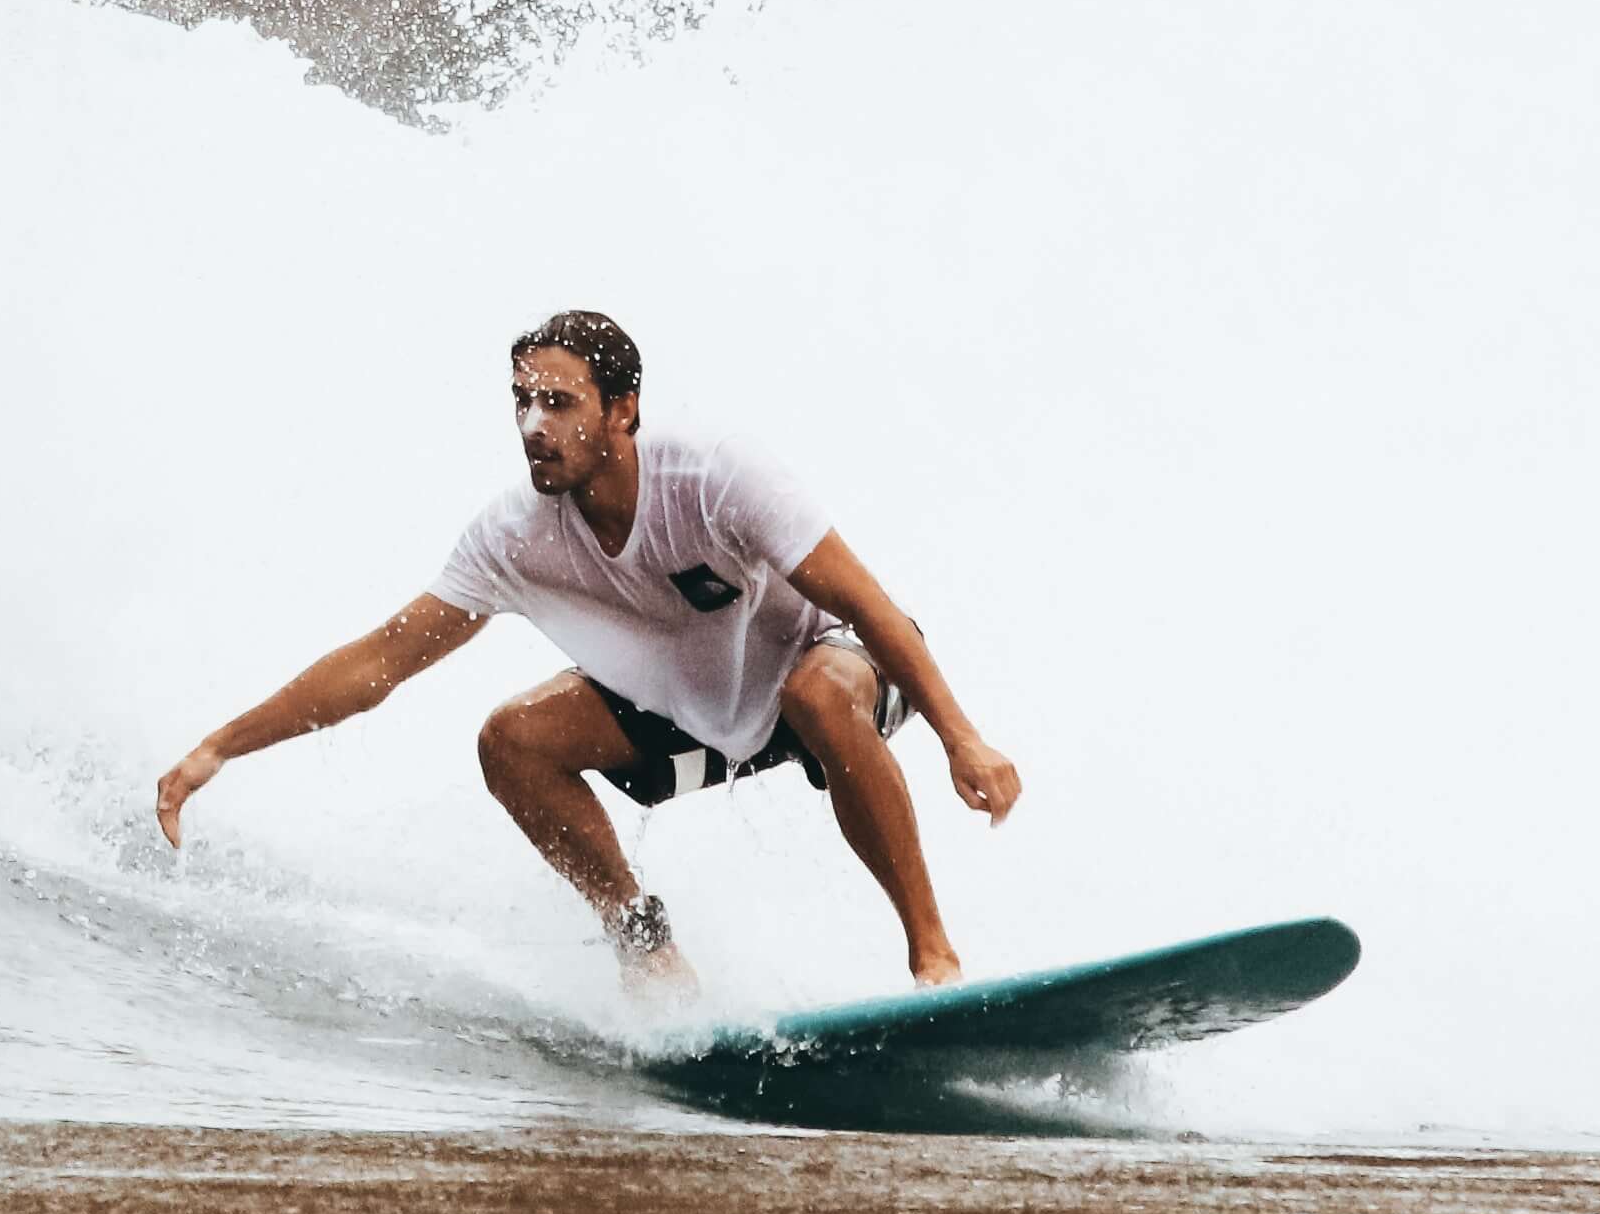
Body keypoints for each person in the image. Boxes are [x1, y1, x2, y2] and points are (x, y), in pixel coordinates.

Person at [152, 309, 1022, 997]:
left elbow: (870, 607)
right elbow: (380, 661)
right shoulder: (513, 536)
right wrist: (219, 747)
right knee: (513, 741)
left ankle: (932, 959)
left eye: (559, 403)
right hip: (704, 716)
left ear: (624, 410)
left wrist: (961, 738)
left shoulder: (715, 476)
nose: (534, 424)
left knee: (819, 695)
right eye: (522, 403)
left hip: (837, 662)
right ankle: (645, 949)